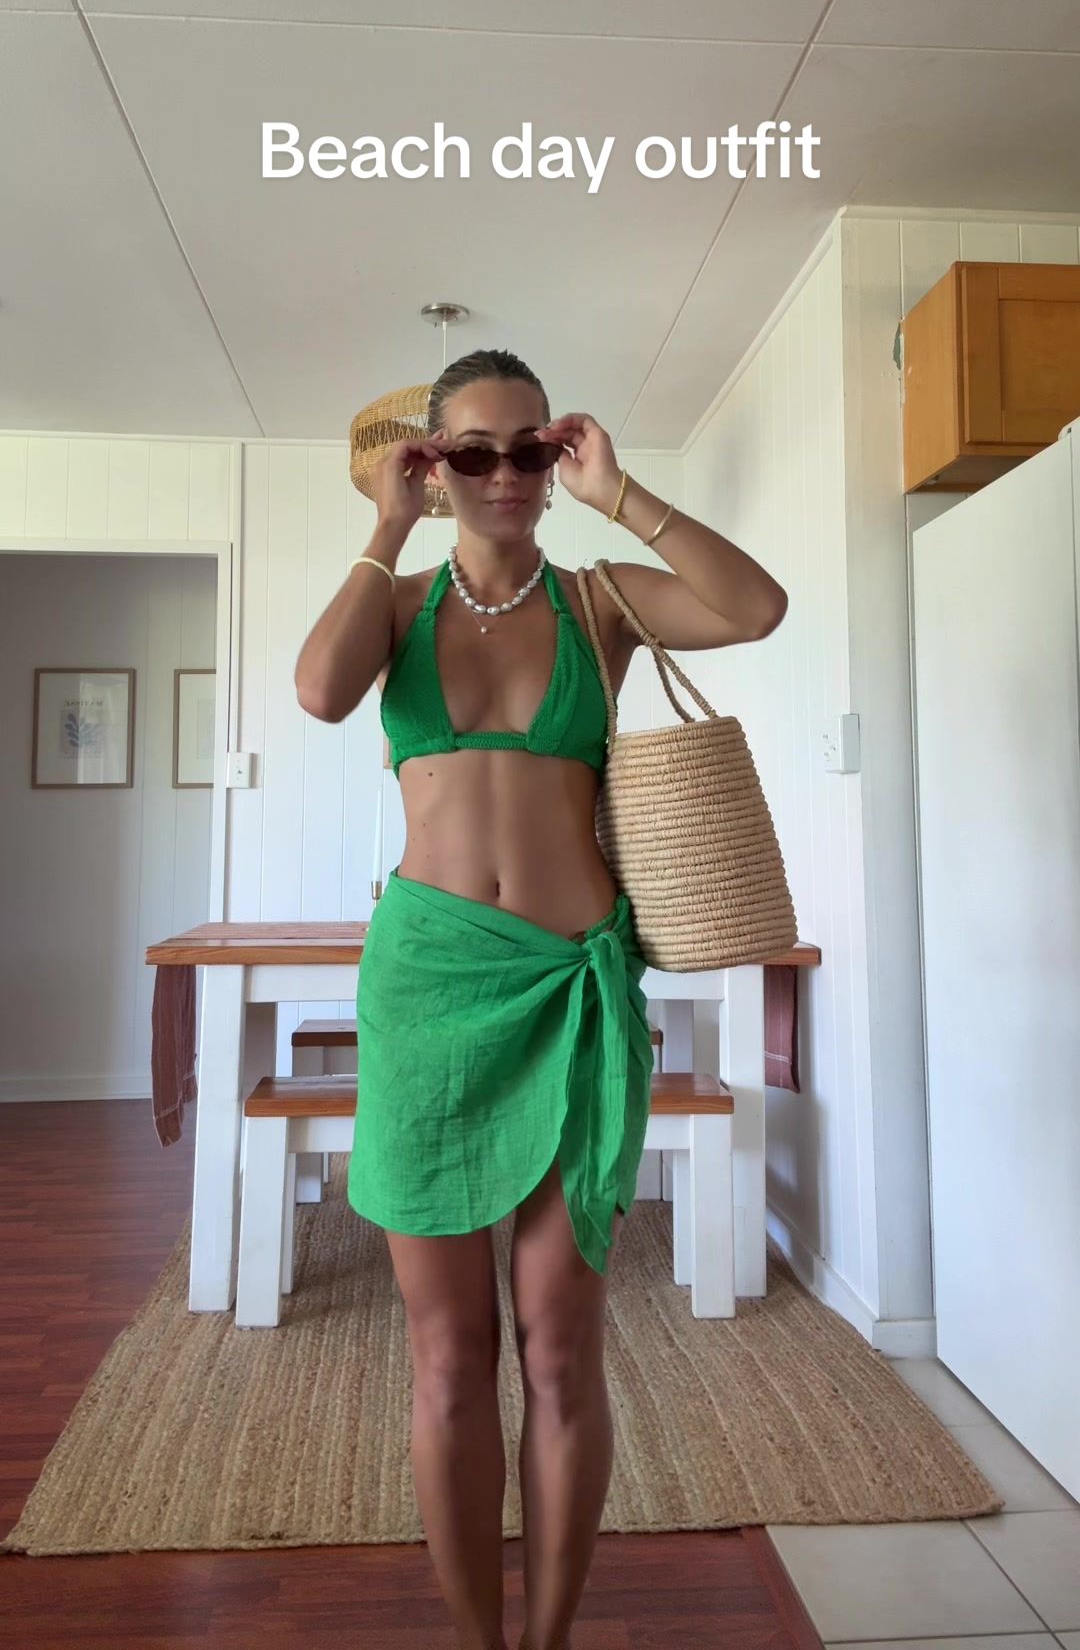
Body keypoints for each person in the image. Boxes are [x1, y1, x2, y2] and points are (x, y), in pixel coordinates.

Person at [294, 348, 787, 1650]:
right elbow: (319, 692)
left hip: (573, 994)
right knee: (449, 1356)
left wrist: (624, 496)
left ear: (557, 459)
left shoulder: (598, 599)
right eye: (474, 451)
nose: (505, 473)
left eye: (531, 449)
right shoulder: (398, 604)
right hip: (429, 995)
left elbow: (755, 608)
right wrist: (385, 527)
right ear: (434, 463)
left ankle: (553, 1638)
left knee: (561, 1352)